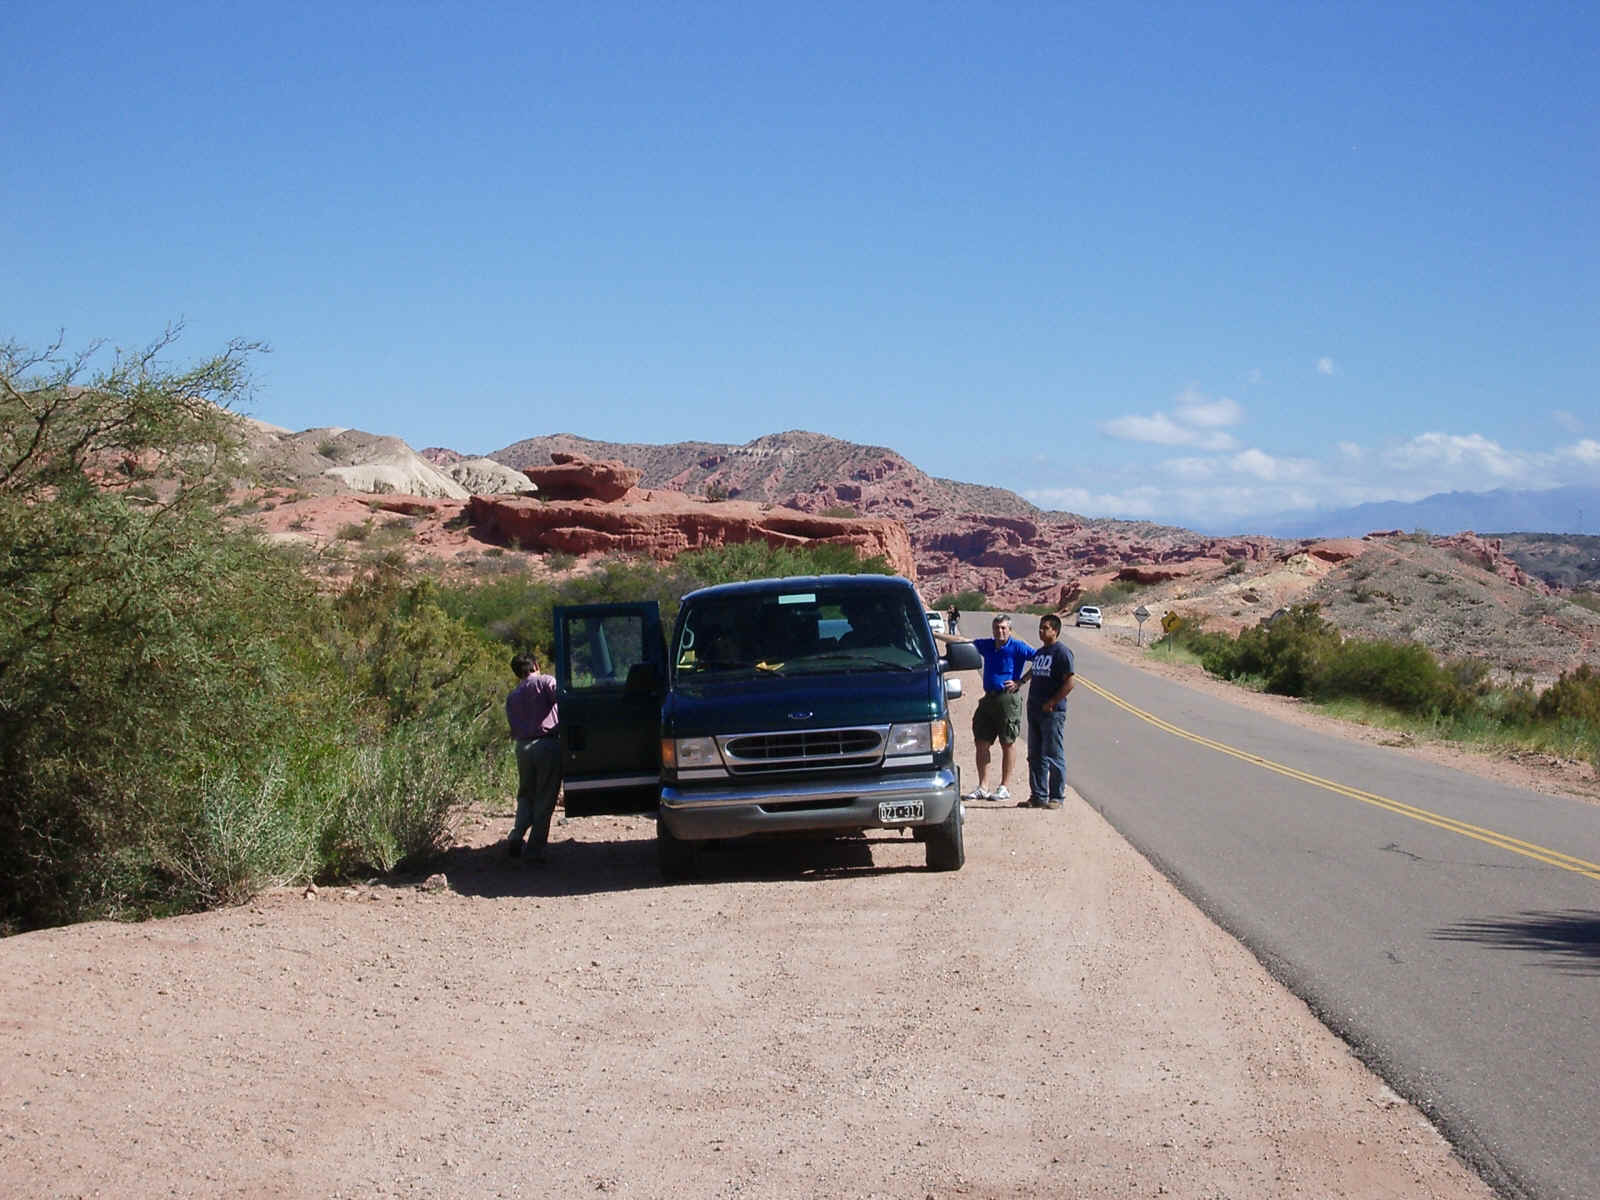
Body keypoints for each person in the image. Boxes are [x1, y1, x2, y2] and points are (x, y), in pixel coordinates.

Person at [934, 615, 1033, 801]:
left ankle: (1004, 787)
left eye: (1003, 628)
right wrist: (936, 635)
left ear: (1010, 630)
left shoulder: (1018, 647)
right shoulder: (987, 645)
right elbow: (963, 642)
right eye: (997, 628)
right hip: (988, 699)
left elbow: (1041, 659)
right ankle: (983, 786)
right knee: (981, 741)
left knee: (1008, 742)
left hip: (1008, 699)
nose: (1000, 631)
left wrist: (1022, 681)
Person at [505, 651, 561, 863]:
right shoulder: (546, 682)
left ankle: (517, 834)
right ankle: (535, 850)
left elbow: (513, 726)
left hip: (523, 747)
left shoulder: (513, 696)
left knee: (526, 794)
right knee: (545, 798)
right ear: (536, 665)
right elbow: (563, 699)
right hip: (547, 744)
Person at [1023, 613, 1075, 809]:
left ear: (1055, 630)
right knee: (1035, 754)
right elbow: (1034, 670)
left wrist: (1052, 702)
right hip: (1034, 709)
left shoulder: (1062, 653)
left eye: (1045, 628)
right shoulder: (1040, 652)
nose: (1041, 631)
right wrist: (1021, 681)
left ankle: (1056, 797)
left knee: (1053, 753)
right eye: (1040, 627)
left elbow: (1070, 682)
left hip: (1052, 713)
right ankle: (1038, 795)